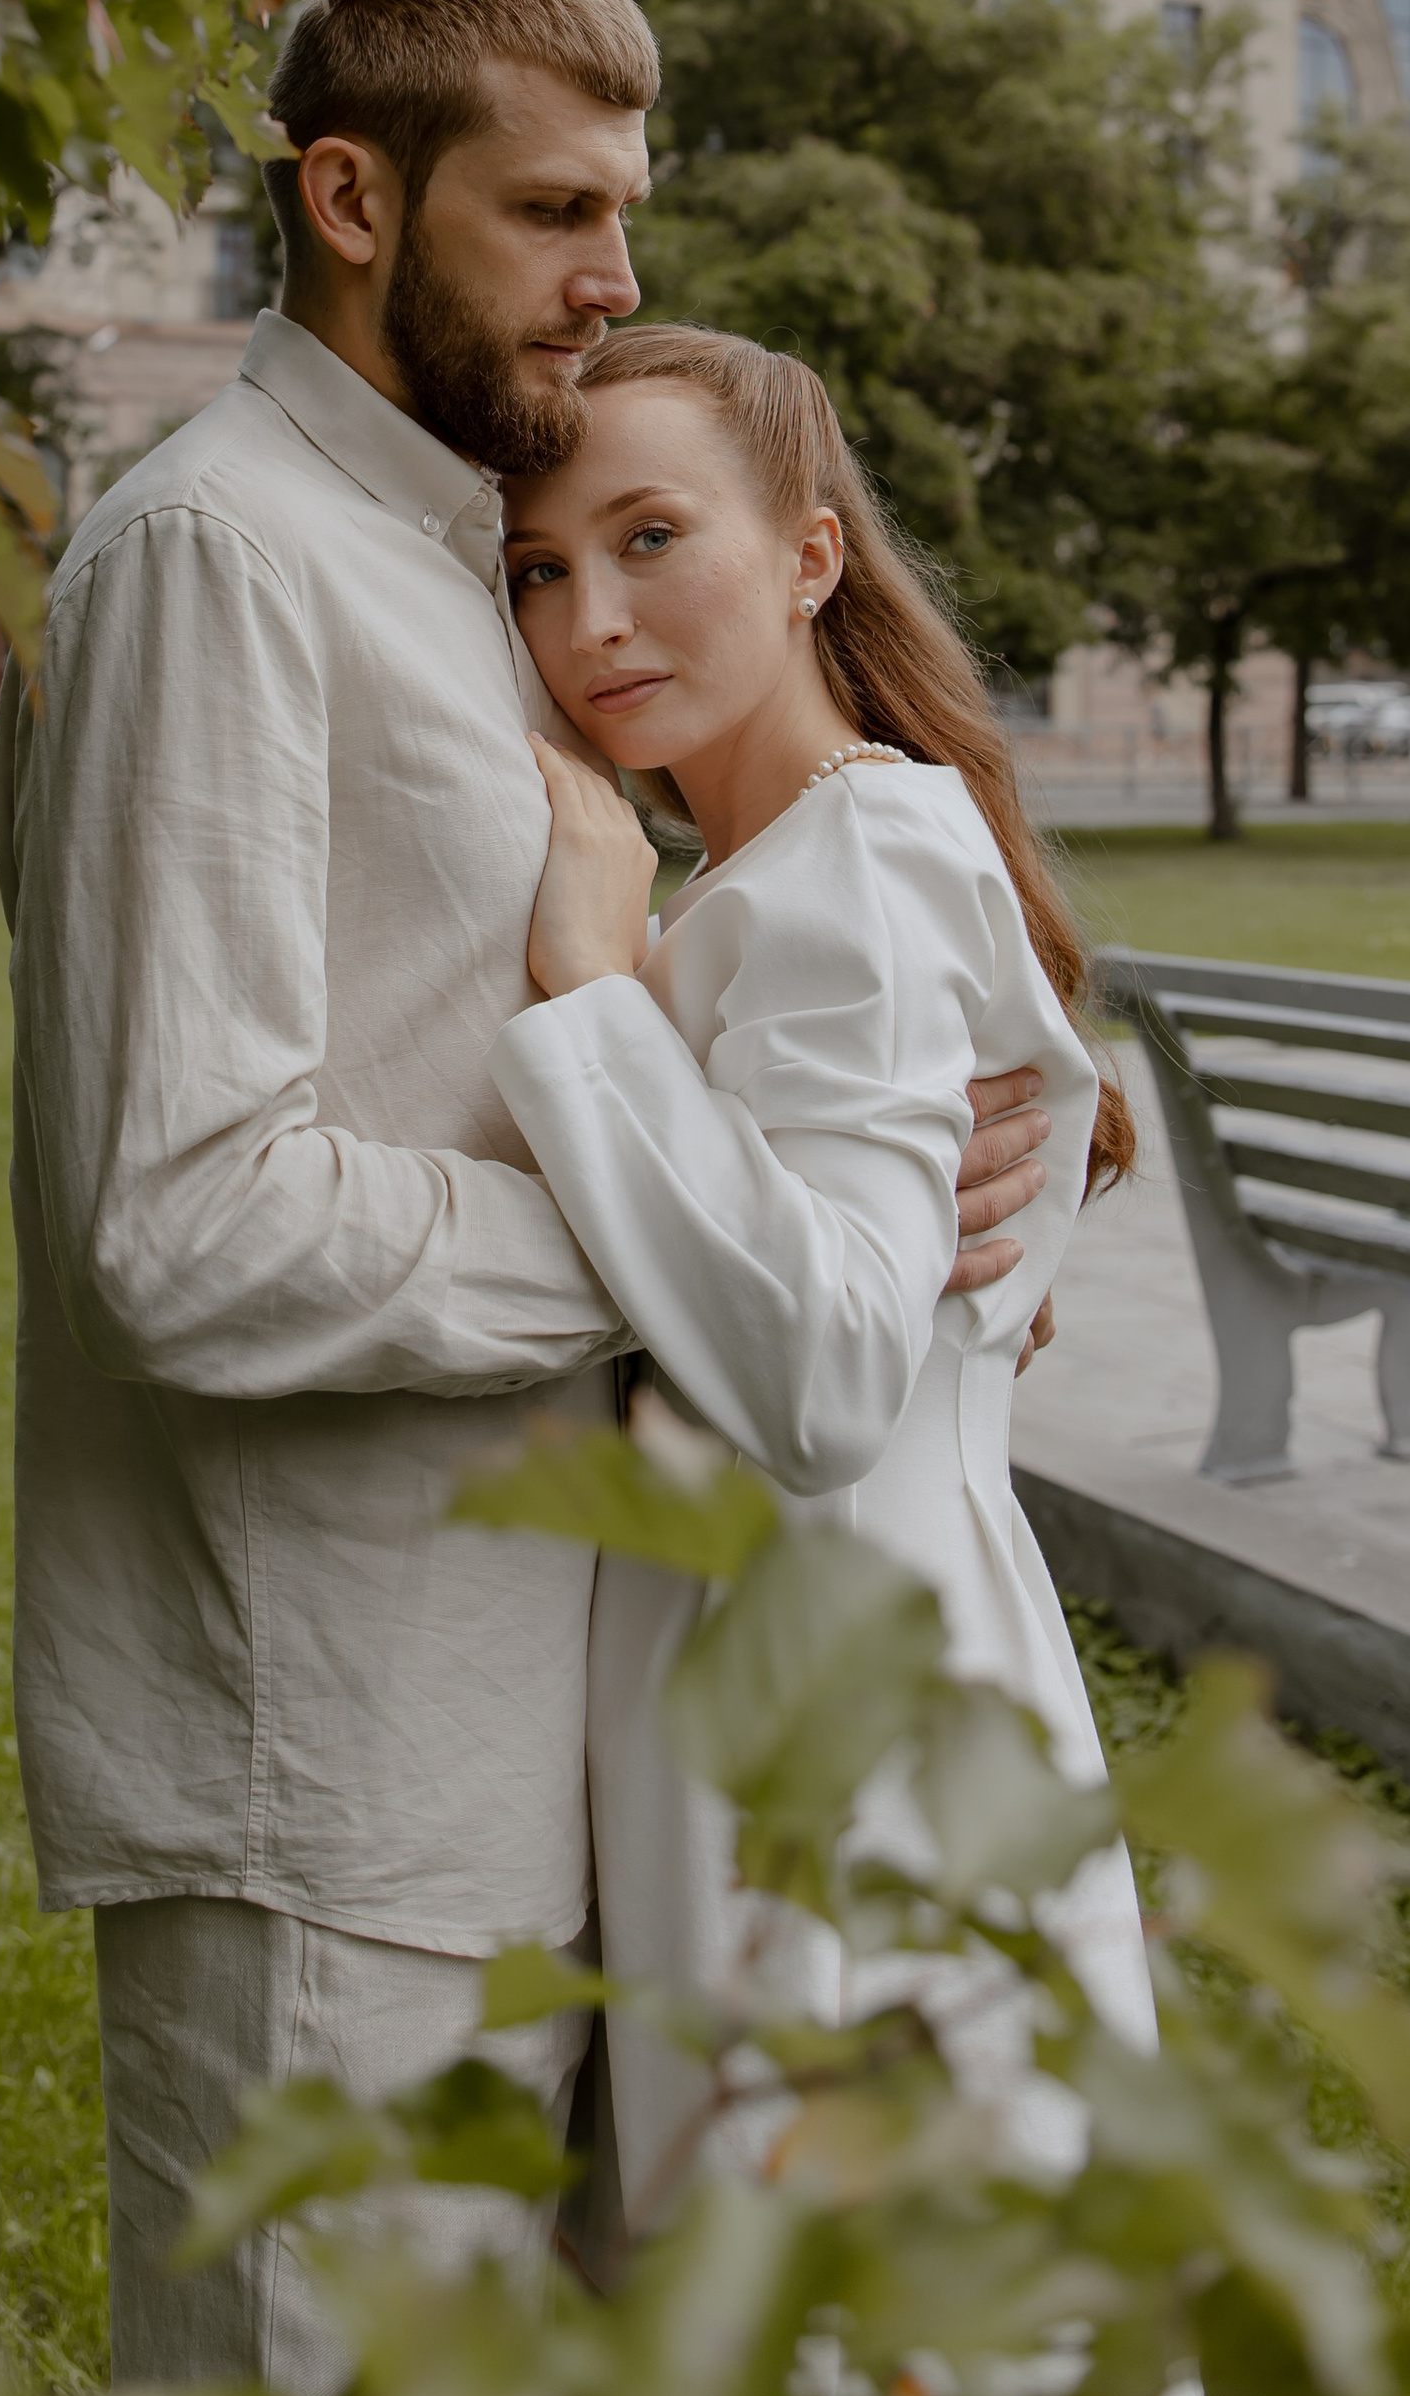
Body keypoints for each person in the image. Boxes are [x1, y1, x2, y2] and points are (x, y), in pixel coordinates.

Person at [0, 0, 1060, 2394]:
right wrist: (733, 1255)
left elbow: (700, 1005)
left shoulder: (459, 549)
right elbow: (192, 1225)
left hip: (562, 1741)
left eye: (623, 208)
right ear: (352, 198)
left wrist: (937, 1189)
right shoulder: (217, 557)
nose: (617, 275)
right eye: (554, 214)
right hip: (324, 1770)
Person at [485, 320, 1155, 2225]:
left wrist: (600, 993)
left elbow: (824, 1379)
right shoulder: (790, 868)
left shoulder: (847, 860)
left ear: (808, 555)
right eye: (540, 567)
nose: (591, 615)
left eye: (650, 537)